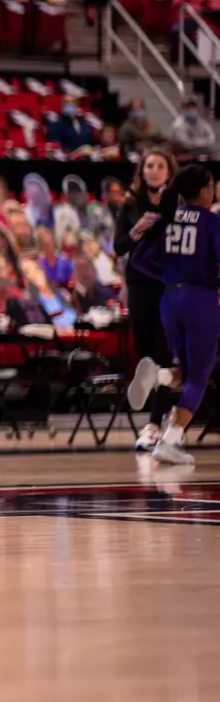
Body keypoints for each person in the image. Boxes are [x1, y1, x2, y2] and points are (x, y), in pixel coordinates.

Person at [126, 165, 220, 466]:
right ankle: (170, 440)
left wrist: (168, 275)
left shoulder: (166, 217)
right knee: (199, 377)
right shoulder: (211, 222)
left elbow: (137, 259)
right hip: (200, 299)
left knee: (184, 369)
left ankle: (158, 376)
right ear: (204, 190)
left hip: (169, 298)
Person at [114, 147, 179, 450]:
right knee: (146, 358)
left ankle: (154, 424)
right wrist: (139, 229)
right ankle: (163, 415)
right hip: (139, 285)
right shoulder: (129, 204)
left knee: (164, 354)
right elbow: (119, 245)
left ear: (169, 172)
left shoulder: (176, 204)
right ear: (142, 171)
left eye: (159, 166)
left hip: (168, 285)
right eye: (149, 165)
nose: (154, 170)